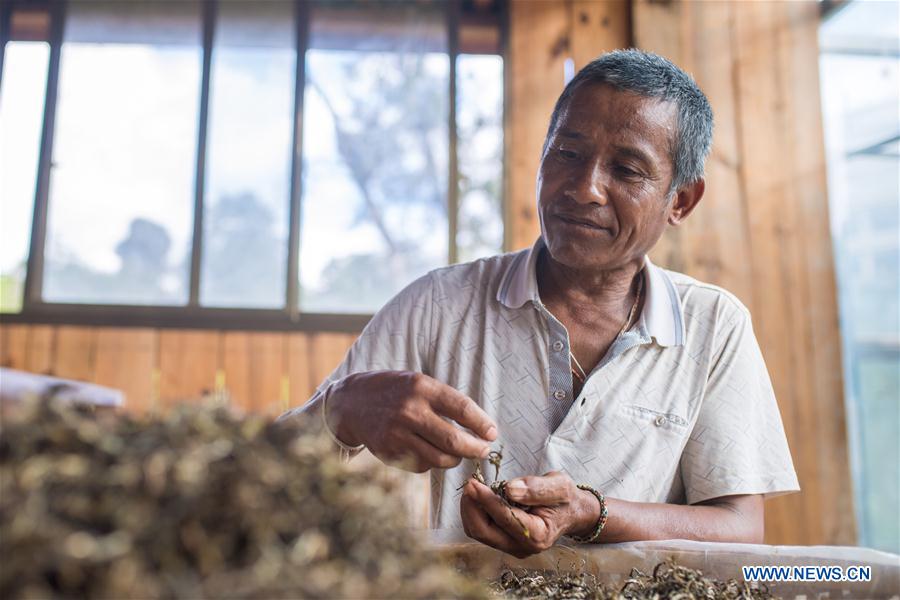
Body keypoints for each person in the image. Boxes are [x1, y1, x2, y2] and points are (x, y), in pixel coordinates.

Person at [280, 49, 799, 558]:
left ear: (681, 201)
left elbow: (740, 526)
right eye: (568, 153)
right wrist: (340, 409)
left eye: (627, 169)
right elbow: (262, 471)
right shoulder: (437, 305)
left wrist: (594, 514)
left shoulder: (713, 325)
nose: (585, 188)